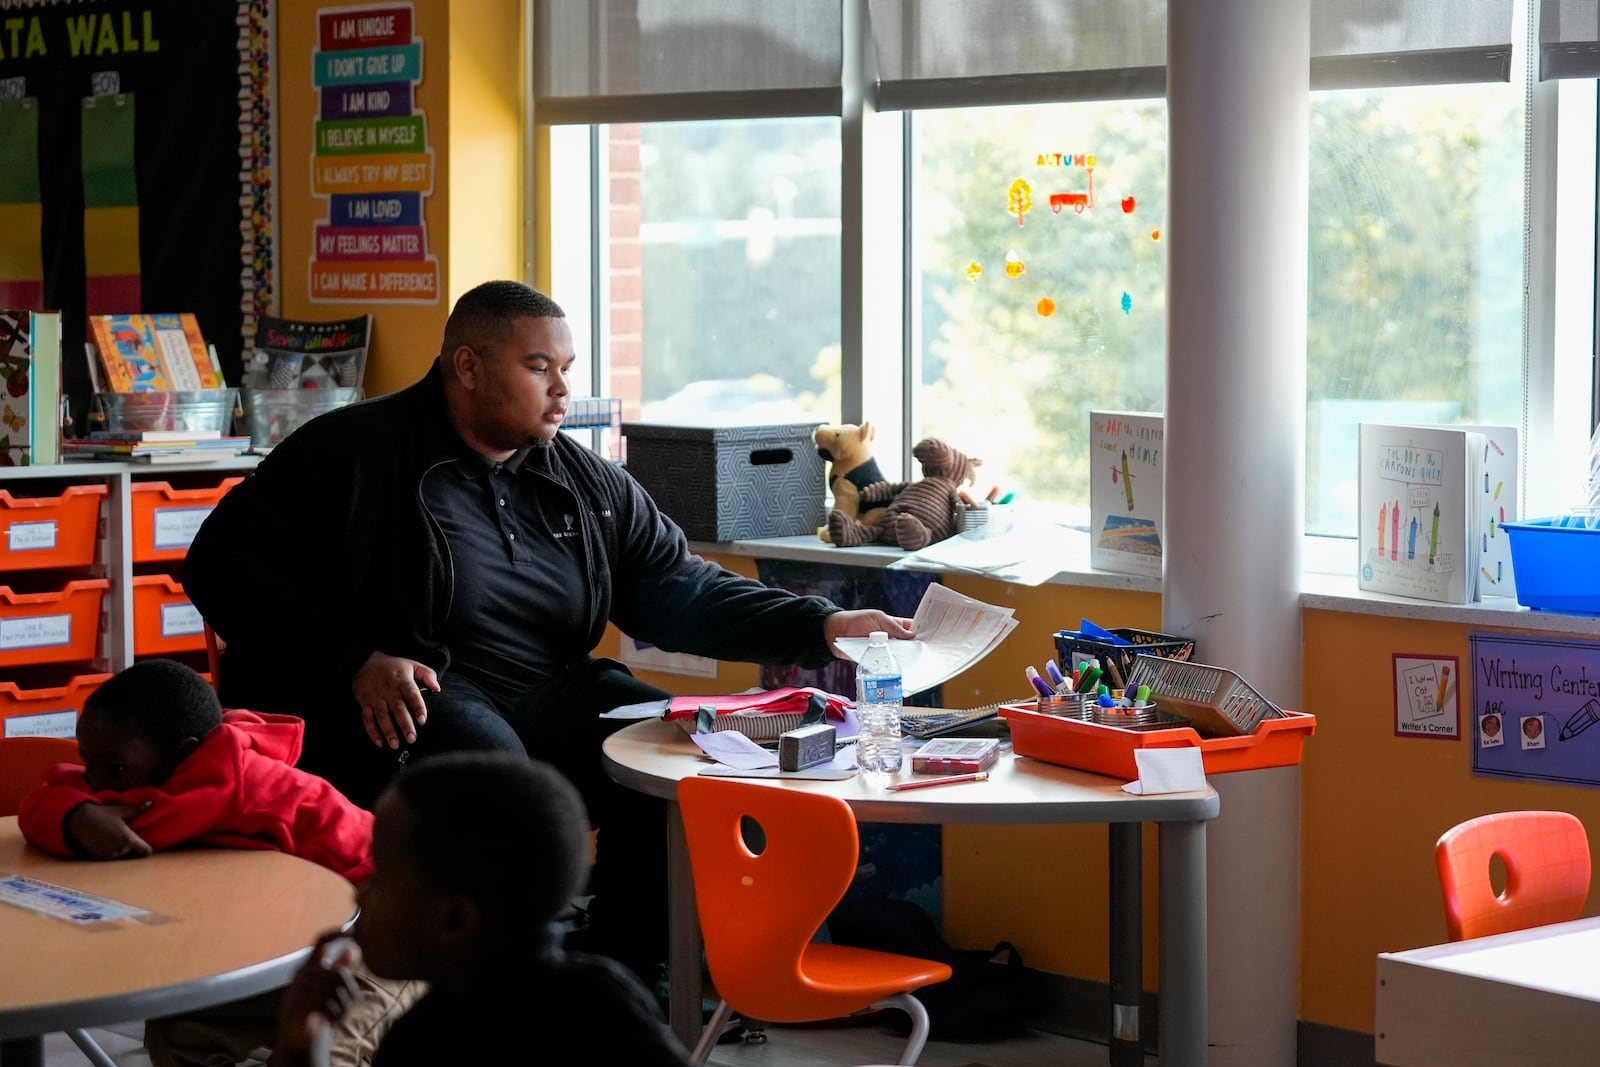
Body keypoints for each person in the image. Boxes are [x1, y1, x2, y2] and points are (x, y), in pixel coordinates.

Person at [183, 279, 911, 976]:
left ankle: (626, 971)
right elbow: (217, 565)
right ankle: (490, 988)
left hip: (546, 687)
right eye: (539, 367)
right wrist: (353, 657)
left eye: (566, 368)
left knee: (671, 749)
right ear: (467, 366)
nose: (563, 389)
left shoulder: (586, 481)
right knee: (503, 782)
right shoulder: (350, 454)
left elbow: (677, 589)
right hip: (397, 695)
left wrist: (823, 624)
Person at [18, 659, 419, 1067]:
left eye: (114, 768)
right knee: (181, 1031)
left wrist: (72, 815)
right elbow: (47, 794)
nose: (95, 782)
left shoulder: (227, 783)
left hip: (395, 936)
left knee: (326, 1047)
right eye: (87, 761)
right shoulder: (139, 768)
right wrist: (73, 813)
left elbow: (65, 806)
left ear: (185, 754)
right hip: (307, 945)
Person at [270, 751, 696, 1067]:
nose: (359, 894)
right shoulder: (603, 998)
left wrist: (299, 1050)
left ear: (455, 920)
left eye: (379, 881)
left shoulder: (425, 1038)